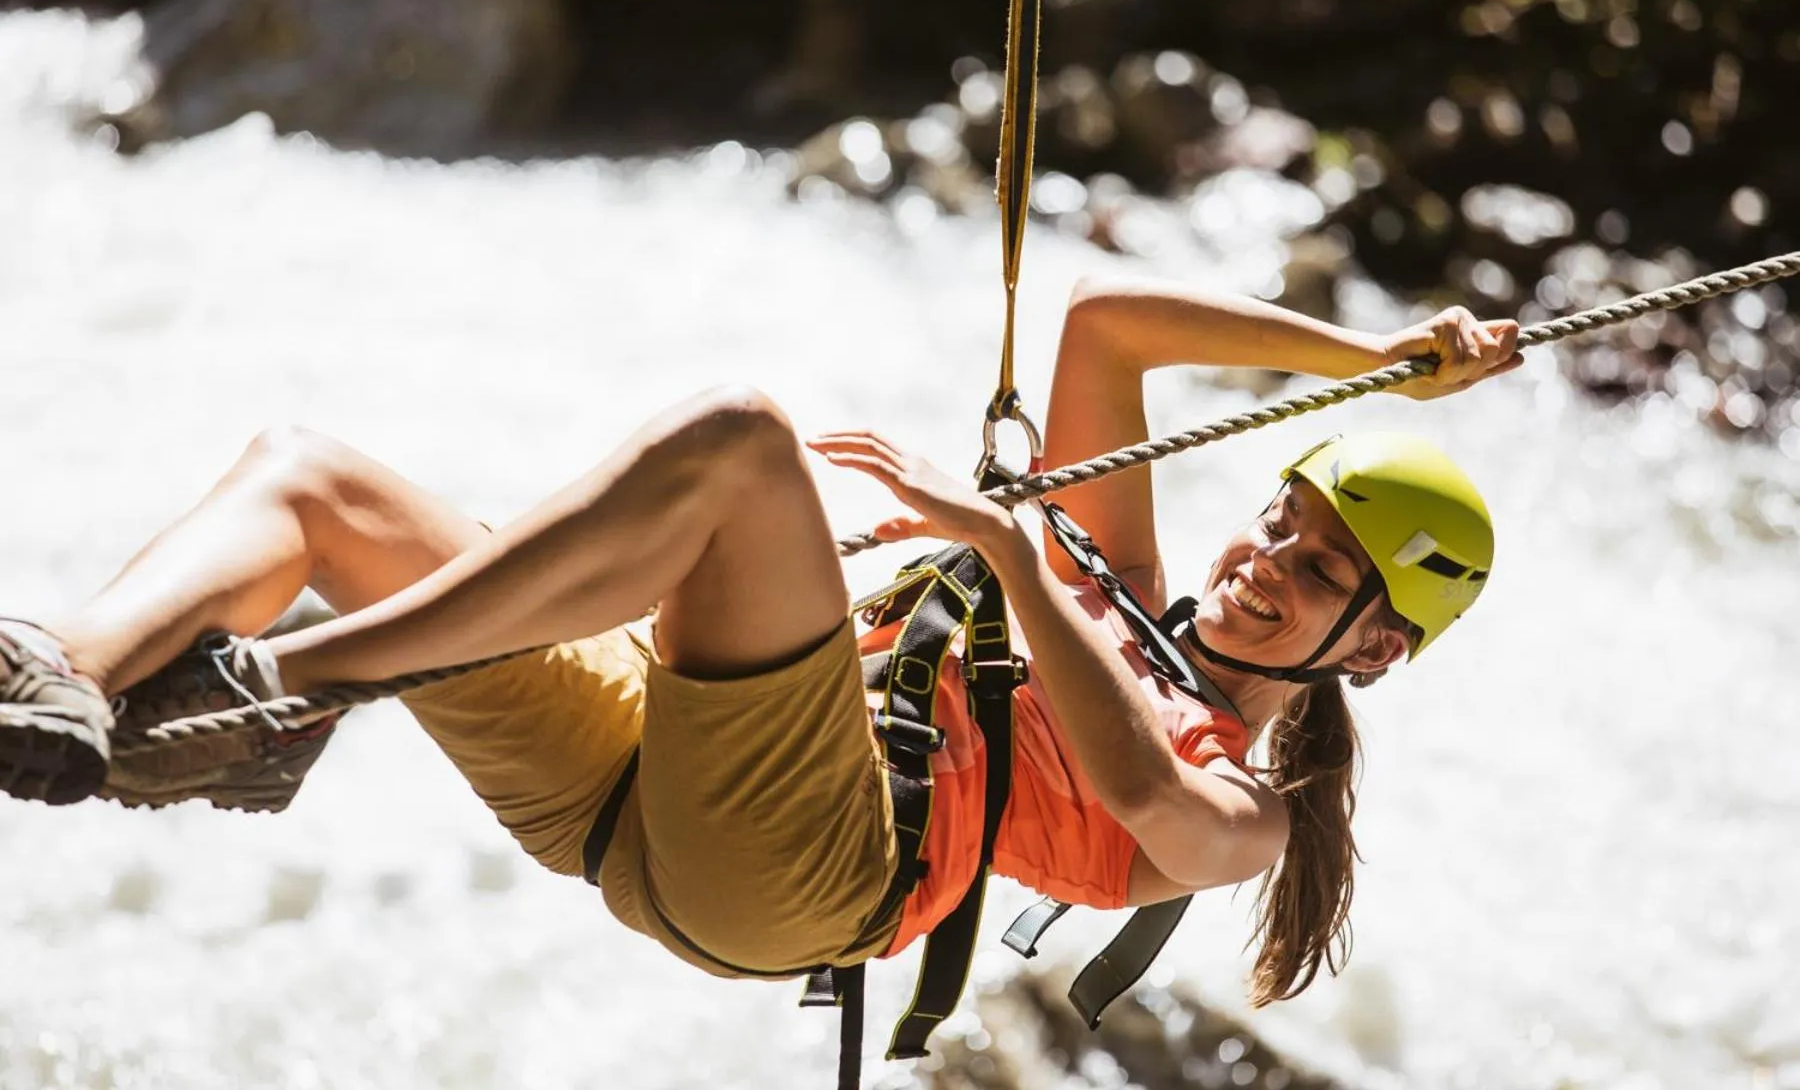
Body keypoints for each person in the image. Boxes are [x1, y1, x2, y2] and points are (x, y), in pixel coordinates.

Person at [0, 279, 1520, 1013]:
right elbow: (1107, 325)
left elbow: (1152, 806)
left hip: (801, 877)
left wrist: (1004, 545)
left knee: (743, 445)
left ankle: (292, 692)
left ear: (1369, 654)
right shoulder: (1115, 573)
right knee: (315, 475)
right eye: (1278, 522)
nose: (1262, 562)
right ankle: (60, 668)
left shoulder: (1246, 811)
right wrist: (1371, 363)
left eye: (1320, 574)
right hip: (643, 773)